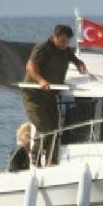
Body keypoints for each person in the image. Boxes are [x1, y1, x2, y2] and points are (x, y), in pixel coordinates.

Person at [22, 24, 88, 165]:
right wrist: (41, 80)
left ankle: (52, 160)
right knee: (45, 127)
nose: (64, 44)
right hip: (34, 94)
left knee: (55, 128)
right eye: (62, 40)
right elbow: (30, 66)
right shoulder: (43, 47)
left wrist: (79, 64)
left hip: (50, 96)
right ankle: (34, 157)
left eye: (67, 41)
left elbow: (73, 57)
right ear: (55, 37)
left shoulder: (65, 50)